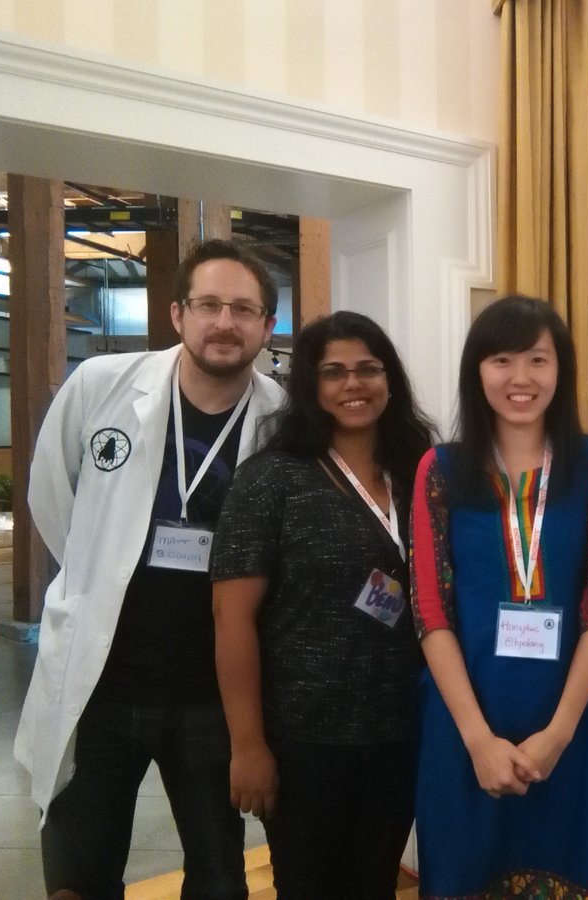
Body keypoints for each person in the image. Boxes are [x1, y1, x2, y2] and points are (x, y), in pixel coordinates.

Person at [16, 239, 284, 899]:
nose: (225, 322)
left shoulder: (283, 419)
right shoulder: (101, 386)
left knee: (218, 874)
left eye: (243, 309)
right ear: (177, 313)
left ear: (267, 325)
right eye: (209, 304)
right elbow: (52, 495)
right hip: (101, 683)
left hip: (211, 695)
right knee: (81, 870)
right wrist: (97, 573)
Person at [410, 295, 588, 898]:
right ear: (477, 371)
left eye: (538, 359)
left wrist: (558, 735)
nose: (520, 378)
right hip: (465, 728)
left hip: (574, 726)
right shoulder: (440, 470)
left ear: (560, 370)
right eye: (501, 360)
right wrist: (478, 740)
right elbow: (431, 612)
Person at [210, 311, 434, 899]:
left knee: (374, 885)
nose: (353, 384)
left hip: (402, 731)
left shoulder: (421, 473)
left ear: (390, 379)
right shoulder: (270, 479)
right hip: (303, 738)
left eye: (368, 369)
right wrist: (248, 746)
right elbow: (232, 618)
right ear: (309, 385)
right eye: (333, 372)